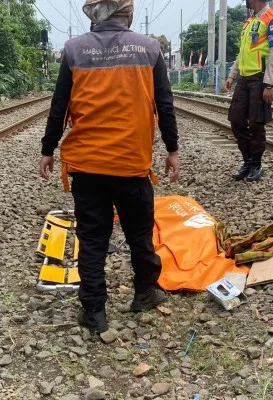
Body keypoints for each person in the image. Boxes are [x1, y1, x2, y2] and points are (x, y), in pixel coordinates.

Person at [39, 0, 180, 334]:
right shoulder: (149, 48)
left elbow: (59, 106)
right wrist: (172, 148)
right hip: (131, 164)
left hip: (87, 165)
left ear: (96, 14)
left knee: (92, 239)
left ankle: (94, 311)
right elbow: (164, 104)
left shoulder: (74, 50)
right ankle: (145, 292)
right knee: (139, 234)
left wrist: (48, 149)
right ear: (127, 13)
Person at [224, 0, 273, 182]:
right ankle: (248, 161)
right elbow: (242, 52)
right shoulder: (249, 21)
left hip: (260, 78)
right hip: (244, 79)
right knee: (236, 120)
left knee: (256, 124)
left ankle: (256, 164)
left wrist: (269, 84)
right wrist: (232, 75)